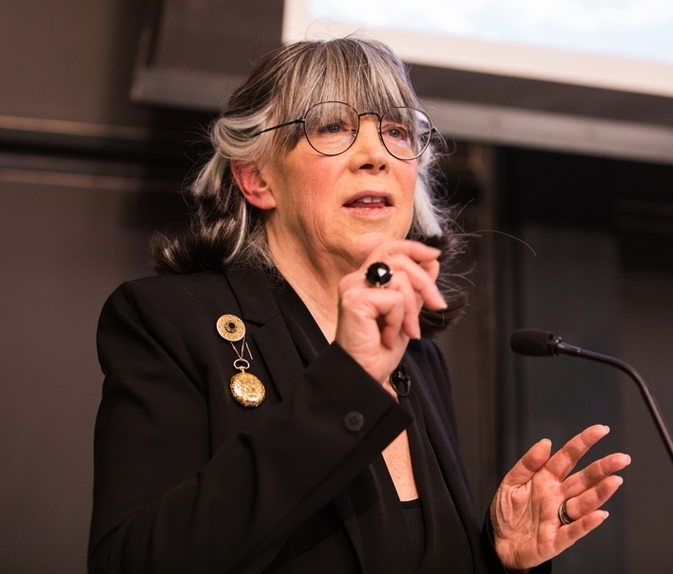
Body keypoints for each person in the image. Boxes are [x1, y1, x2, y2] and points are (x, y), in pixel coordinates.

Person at [88, 36, 630, 573]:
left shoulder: (418, 357)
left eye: (396, 131)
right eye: (333, 128)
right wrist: (346, 381)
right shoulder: (167, 321)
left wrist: (497, 557)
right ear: (256, 178)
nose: (376, 155)